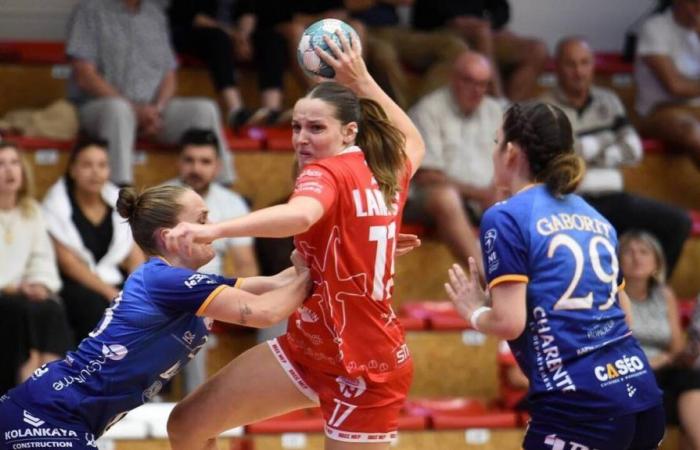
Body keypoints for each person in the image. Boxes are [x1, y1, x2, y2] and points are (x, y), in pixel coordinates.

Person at [166, 28, 424, 450]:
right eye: (296, 127)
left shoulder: (325, 172)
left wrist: (214, 229)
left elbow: (300, 213)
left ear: (349, 133)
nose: (302, 138)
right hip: (307, 351)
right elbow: (413, 139)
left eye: (316, 128)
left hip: (364, 369)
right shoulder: (386, 171)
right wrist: (361, 80)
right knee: (187, 424)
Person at [0, 184, 310, 448]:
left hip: (66, 415)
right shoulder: (164, 280)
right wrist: (309, 276)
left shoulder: (186, 283)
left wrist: (316, 259)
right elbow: (266, 311)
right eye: (202, 220)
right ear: (169, 236)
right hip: (47, 414)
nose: (212, 228)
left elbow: (273, 284)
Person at [445, 101, 664, 450]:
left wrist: (473, 310)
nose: (494, 151)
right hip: (642, 395)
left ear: (512, 152)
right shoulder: (595, 217)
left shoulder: (505, 217)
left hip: (580, 406)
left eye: (496, 140)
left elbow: (509, 323)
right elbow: (625, 315)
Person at [541, 36, 692, 277]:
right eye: (571, 64)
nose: (578, 72)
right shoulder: (544, 109)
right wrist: (607, 141)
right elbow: (565, 163)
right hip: (572, 202)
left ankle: (650, 296)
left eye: (585, 63)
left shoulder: (608, 101)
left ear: (593, 66)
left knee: (678, 223)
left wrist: (590, 149)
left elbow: (633, 149)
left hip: (615, 197)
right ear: (557, 67)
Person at [66, 0, 236, 186]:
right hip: (101, 107)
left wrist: (158, 110)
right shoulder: (90, 9)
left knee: (204, 109)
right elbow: (85, 74)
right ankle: (120, 194)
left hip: (152, 110)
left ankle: (221, 189)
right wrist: (135, 110)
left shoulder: (155, 13)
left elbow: (169, 74)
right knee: (119, 110)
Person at [165, 127, 260, 394]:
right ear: (178, 162)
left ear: (217, 167)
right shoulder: (161, 199)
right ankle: (192, 404)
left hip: (215, 287)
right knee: (195, 312)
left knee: (277, 313)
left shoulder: (231, 203)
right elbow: (145, 256)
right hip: (172, 285)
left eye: (205, 162)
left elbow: (246, 265)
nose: (196, 168)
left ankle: (258, 395)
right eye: (189, 160)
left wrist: (249, 299)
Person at [405, 50, 504, 277]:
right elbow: (426, 175)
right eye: (469, 81)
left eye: (483, 84)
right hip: (429, 198)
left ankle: (521, 276)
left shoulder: (495, 111)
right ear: (454, 78)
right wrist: (481, 193)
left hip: (484, 199)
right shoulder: (428, 110)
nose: (477, 90)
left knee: (517, 195)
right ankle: (485, 278)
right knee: (445, 196)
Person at [42, 138, 145, 341]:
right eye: (87, 165)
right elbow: (69, 265)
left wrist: (136, 291)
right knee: (97, 306)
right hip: (75, 284)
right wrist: (110, 293)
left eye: (102, 165)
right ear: (73, 170)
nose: (95, 172)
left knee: (150, 307)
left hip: (116, 280)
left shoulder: (119, 202)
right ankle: (97, 371)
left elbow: (135, 256)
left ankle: (151, 372)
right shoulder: (56, 206)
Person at [0, 142, 73, 394]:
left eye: (14, 162)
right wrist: (14, 286)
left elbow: (41, 258)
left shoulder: (31, 211)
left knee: (51, 307)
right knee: (20, 310)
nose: (9, 171)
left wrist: (39, 283)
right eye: (1, 164)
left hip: (24, 291)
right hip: (7, 295)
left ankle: (52, 389)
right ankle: (24, 392)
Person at [620, 230, 700, 449]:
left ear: (656, 262)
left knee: (693, 379)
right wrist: (648, 363)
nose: (636, 257)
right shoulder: (612, 295)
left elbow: (677, 346)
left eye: (644, 252)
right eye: (629, 252)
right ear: (618, 262)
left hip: (663, 369)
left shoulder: (664, 294)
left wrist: (664, 360)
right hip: (627, 371)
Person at [411, 0, 547, 101]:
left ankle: (513, 116)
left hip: (484, 31)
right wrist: (455, 20)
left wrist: (489, 22)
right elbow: (422, 15)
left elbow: (502, 9)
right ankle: (498, 100)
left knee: (536, 49)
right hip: (442, 31)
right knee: (480, 32)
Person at [347, 0, 468, 108]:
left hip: (397, 31)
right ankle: (406, 114)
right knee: (384, 54)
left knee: (455, 47)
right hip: (365, 32)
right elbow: (351, 4)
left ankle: (421, 109)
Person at [634, 0, 700, 167]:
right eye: (693, 2)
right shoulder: (655, 28)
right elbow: (675, 86)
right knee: (693, 131)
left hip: (696, 108)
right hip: (660, 111)